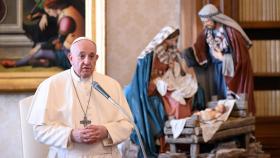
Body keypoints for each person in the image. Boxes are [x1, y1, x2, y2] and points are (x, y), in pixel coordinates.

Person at [27, 37, 133, 157]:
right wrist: (71, 134)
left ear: (96, 58)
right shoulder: (51, 85)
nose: (87, 61)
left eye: (91, 56)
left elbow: (127, 125)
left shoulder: (112, 85)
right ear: (71, 58)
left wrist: (106, 131)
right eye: (82, 56)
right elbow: (39, 131)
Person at [125, 26, 204, 157]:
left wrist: (175, 71)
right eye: (173, 39)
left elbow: (177, 70)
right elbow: (150, 76)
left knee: (191, 88)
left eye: (176, 39)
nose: (175, 41)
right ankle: (176, 138)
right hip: (157, 83)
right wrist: (160, 81)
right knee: (177, 102)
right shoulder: (155, 53)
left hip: (169, 79)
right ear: (166, 39)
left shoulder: (171, 51)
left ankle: (184, 135)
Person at [183, 4, 255, 114]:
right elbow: (199, 46)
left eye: (207, 21)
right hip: (216, 70)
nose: (205, 24)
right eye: (204, 22)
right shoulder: (208, 31)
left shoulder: (231, 32)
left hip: (231, 71)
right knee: (218, 95)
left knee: (230, 98)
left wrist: (222, 57)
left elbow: (241, 58)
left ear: (214, 18)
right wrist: (187, 54)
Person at [1, 0, 85, 69]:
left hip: (70, 57)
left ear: (54, 8)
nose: (48, 14)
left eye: (48, 11)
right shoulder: (67, 11)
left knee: (41, 52)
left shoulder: (66, 20)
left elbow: (58, 42)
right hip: (68, 51)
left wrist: (40, 47)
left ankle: (16, 64)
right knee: (40, 53)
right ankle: (43, 62)